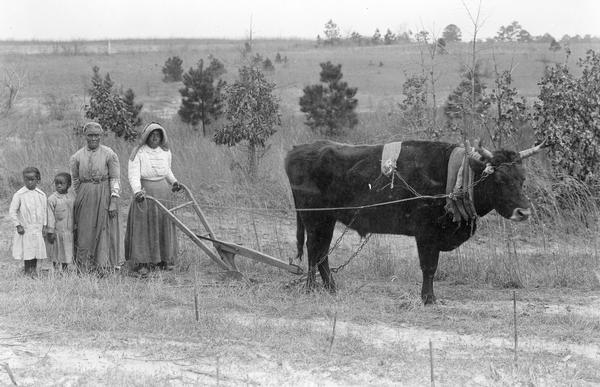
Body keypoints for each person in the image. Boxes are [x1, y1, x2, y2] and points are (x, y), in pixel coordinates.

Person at [125, 122, 181, 276]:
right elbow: (133, 175)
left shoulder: (165, 152)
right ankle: (143, 263)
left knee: (163, 225)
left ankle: (164, 260)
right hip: (146, 195)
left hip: (163, 194)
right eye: (152, 135)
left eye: (158, 135)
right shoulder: (138, 153)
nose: (155, 138)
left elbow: (167, 170)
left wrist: (174, 182)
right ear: (146, 137)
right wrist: (137, 192)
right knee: (144, 228)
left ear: (162, 137)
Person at [70, 122, 121, 273]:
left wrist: (113, 201)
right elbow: (75, 180)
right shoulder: (77, 156)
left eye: (97, 135)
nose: (93, 138)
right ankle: (85, 266)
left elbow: (115, 178)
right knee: (85, 230)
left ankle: (103, 266)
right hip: (85, 195)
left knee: (104, 229)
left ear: (101, 136)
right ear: (85, 136)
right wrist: (81, 195)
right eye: (90, 135)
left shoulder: (109, 154)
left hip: (104, 192)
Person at [9, 167, 48, 277]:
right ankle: (27, 270)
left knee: (35, 249)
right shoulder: (19, 194)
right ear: (23, 179)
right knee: (27, 249)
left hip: (38, 227)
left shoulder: (41, 195)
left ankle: (34, 270)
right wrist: (18, 225)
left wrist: (44, 225)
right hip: (26, 228)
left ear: (38, 179)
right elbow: (12, 211)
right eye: (27, 179)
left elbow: (44, 211)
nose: (29, 182)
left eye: (32, 179)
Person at [46, 172, 75, 271]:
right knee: (57, 251)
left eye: (62, 183)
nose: (59, 185)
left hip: (69, 231)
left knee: (67, 251)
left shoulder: (72, 197)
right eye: (57, 183)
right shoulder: (52, 199)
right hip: (58, 231)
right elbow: (50, 216)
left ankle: (65, 269)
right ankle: (56, 269)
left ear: (69, 185)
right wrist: (50, 231)